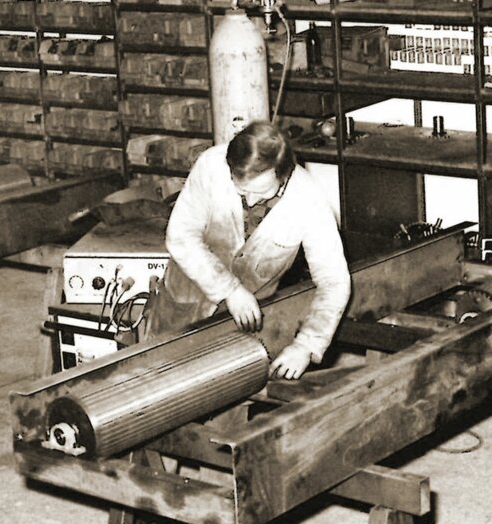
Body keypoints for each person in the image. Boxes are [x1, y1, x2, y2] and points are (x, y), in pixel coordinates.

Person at [150, 120, 351, 380]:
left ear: (283, 176)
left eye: (262, 193)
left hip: (243, 328)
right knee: (155, 384)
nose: (251, 200)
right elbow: (181, 235)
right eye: (241, 190)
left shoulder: (308, 200)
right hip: (181, 309)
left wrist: (306, 345)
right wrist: (229, 289)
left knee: (224, 393)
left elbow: (334, 280)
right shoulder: (211, 166)